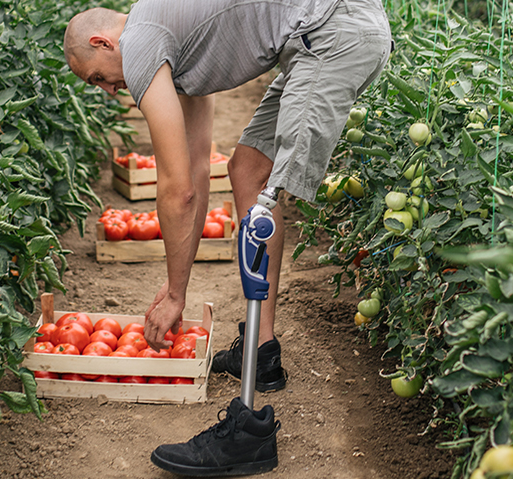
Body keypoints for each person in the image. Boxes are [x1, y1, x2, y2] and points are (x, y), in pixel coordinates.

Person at [64, 0, 389, 474]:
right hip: (316, 36)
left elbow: (177, 193)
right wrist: (178, 285)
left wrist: (177, 293)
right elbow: (195, 170)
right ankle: (263, 352)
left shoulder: (138, 46)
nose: (109, 90)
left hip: (331, 34)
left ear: (103, 43)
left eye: (97, 77)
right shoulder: (168, 40)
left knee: (264, 204)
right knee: (249, 171)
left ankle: (249, 431)